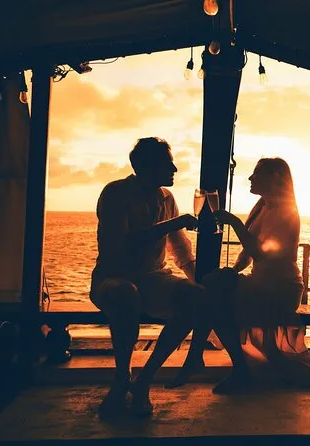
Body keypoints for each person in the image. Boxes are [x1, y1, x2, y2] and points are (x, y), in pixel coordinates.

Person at [169, 157, 310, 393]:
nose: (250, 178)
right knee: (212, 289)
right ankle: (210, 361)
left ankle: (214, 363)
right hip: (260, 283)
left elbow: (262, 254)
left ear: (274, 177)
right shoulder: (263, 205)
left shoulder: (286, 211)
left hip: (282, 288)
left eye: (257, 173)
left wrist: (234, 223)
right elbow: (248, 252)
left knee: (212, 290)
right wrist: (232, 272)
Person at [90, 137, 204, 417]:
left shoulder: (167, 198)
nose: (175, 169)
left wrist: (199, 283)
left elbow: (180, 250)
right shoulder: (115, 193)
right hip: (112, 276)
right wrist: (174, 223)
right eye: (168, 164)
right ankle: (122, 377)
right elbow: (120, 246)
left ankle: (144, 380)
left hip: (153, 278)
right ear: (145, 166)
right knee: (126, 293)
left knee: (196, 297)